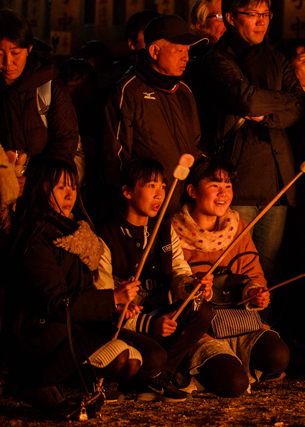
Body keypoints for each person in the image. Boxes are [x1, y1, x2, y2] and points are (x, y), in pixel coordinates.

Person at [4, 157, 165, 413]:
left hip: (75, 322)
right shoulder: (35, 236)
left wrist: (117, 307)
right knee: (125, 358)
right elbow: (55, 303)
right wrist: (111, 298)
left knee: (146, 358)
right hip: (41, 330)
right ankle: (36, 380)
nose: (69, 194)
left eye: (73, 187)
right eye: (60, 187)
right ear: (40, 188)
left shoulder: (79, 232)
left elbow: (85, 292)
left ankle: (57, 379)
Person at [197, 0, 305, 283]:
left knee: (267, 273)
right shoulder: (218, 58)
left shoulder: (277, 59)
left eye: (266, 15)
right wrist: (280, 100)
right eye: (253, 15)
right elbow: (246, 100)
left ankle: (263, 327)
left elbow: (299, 106)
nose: (261, 21)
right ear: (232, 17)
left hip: (277, 181)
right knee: (235, 270)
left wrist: (266, 115)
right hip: (238, 180)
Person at [95, 158, 213, 402]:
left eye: (163, 187)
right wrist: (149, 324)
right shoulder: (107, 234)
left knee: (201, 310)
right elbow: (104, 300)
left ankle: (160, 377)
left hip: (162, 313)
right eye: (151, 186)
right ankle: (144, 374)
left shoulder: (164, 229)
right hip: (127, 323)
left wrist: (192, 284)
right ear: (127, 191)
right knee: (153, 355)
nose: (160, 195)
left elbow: (180, 270)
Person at [171, 157, 289, 398]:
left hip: (238, 322)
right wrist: (193, 288)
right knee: (232, 384)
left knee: (278, 356)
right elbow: (171, 289)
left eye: (228, 185)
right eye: (214, 185)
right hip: (201, 331)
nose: (223, 193)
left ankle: (239, 361)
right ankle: (195, 371)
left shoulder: (237, 226)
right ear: (192, 190)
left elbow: (254, 273)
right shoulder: (173, 231)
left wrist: (255, 293)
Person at [103, 14, 207, 215]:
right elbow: (114, 155)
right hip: (146, 211)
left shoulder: (184, 90)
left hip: (187, 209)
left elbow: (195, 143)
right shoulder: (128, 90)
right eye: (179, 50)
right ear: (154, 50)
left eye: (188, 50)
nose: (186, 57)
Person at [0, 9, 79, 184]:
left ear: (28, 49)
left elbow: (65, 142)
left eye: (15, 53)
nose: (7, 63)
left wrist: (32, 180)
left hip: (42, 189)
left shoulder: (48, 86)